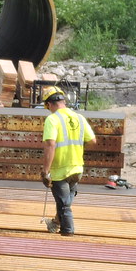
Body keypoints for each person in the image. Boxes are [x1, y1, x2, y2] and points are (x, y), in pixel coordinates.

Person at [40, 85, 95, 236]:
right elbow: (92, 140)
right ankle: (56, 222)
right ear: (64, 101)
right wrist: (76, 148)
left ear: (48, 104)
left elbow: (50, 145)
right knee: (65, 201)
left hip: (60, 171)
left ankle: (68, 232)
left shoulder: (52, 119)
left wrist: (45, 172)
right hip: (77, 168)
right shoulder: (79, 118)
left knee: (64, 205)